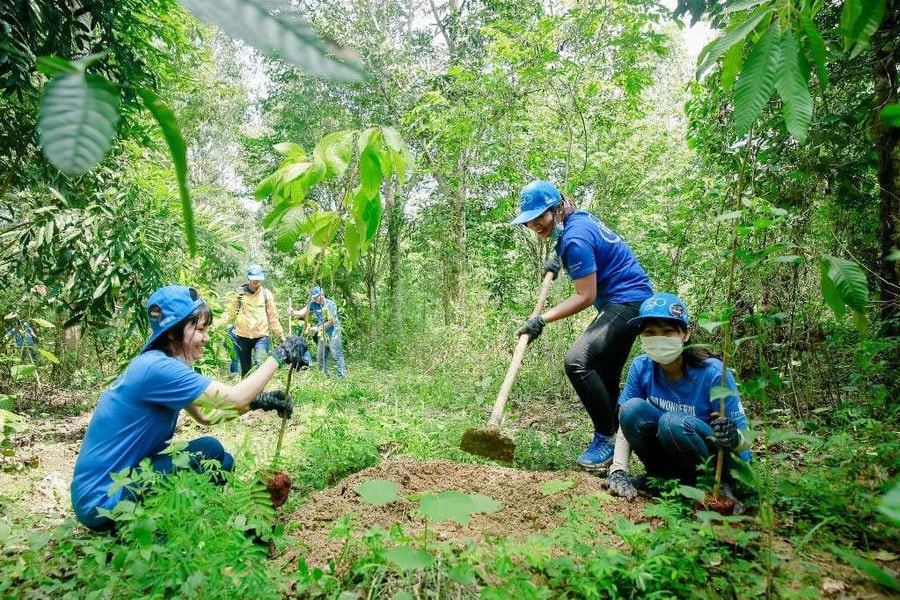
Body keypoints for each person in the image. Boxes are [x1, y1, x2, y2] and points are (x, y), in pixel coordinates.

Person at [70, 285, 309, 532]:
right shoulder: (158, 369)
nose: (206, 337)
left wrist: (258, 402)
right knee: (210, 450)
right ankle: (144, 530)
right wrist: (279, 356)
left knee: (223, 463)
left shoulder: (161, 366)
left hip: (113, 489)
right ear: (173, 333)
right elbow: (234, 398)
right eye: (200, 329)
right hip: (102, 499)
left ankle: (181, 525)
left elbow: (206, 416)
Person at [512, 180, 654, 469]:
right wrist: (557, 257)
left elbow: (585, 296)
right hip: (633, 299)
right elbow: (579, 243)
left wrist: (541, 319)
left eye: (540, 216)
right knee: (604, 372)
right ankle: (620, 446)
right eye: (529, 221)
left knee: (578, 361)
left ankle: (606, 437)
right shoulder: (578, 221)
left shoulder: (575, 240)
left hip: (627, 302)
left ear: (556, 208)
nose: (535, 224)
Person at [602, 292, 752, 502]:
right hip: (675, 451)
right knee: (631, 409)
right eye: (650, 332)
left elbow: (746, 442)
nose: (658, 339)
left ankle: (715, 488)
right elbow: (625, 422)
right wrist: (618, 470)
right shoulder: (641, 367)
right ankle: (666, 479)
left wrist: (732, 435)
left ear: (685, 334)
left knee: (672, 421)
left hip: (721, 463)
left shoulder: (713, 373)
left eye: (667, 331)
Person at [218, 265, 286, 378]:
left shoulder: (266, 294)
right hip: (242, 336)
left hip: (261, 336)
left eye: (258, 278)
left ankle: (260, 393)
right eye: (254, 278)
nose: (256, 280)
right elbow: (229, 313)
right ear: (249, 278)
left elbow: (273, 318)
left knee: (260, 364)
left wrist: (281, 336)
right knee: (246, 370)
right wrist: (215, 324)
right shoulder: (239, 294)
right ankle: (247, 395)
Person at [293, 286, 345, 378]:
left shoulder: (330, 304)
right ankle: (324, 376)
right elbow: (301, 313)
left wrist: (318, 328)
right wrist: (292, 312)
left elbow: (332, 321)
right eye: (314, 297)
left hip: (333, 332)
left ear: (322, 295)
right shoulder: (313, 304)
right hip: (323, 333)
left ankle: (341, 376)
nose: (315, 299)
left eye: (316, 296)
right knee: (320, 355)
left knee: (336, 353)